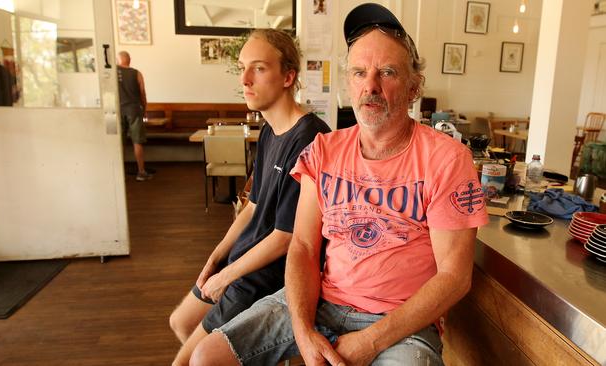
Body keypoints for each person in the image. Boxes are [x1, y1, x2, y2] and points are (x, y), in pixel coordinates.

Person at [190, 4, 489, 366]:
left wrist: (369, 341)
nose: (371, 86)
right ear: (349, 83)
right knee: (206, 357)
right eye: (360, 73)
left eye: (388, 72)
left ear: (414, 87)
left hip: (400, 324)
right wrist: (302, 331)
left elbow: (455, 277)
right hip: (321, 304)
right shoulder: (324, 150)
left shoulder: (447, 159)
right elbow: (301, 245)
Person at [168, 29, 331, 366]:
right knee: (180, 321)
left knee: (185, 362)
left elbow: (286, 237)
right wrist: (215, 258)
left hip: (267, 276)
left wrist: (225, 277)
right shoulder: (270, 129)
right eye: (242, 67)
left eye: (258, 68)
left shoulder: (311, 139)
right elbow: (253, 206)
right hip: (242, 261)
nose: (244, 79)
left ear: (288, 76)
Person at [117, 51, 151, 181]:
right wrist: (145, 109)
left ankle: (119, 173)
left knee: (119, 143)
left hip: (117, 110)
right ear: (129, 59)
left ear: (118, 60)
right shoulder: (136, 73)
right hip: (134, 110)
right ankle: (141, 172)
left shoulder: (112, 73)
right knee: (137, 141)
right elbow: (142, 92)